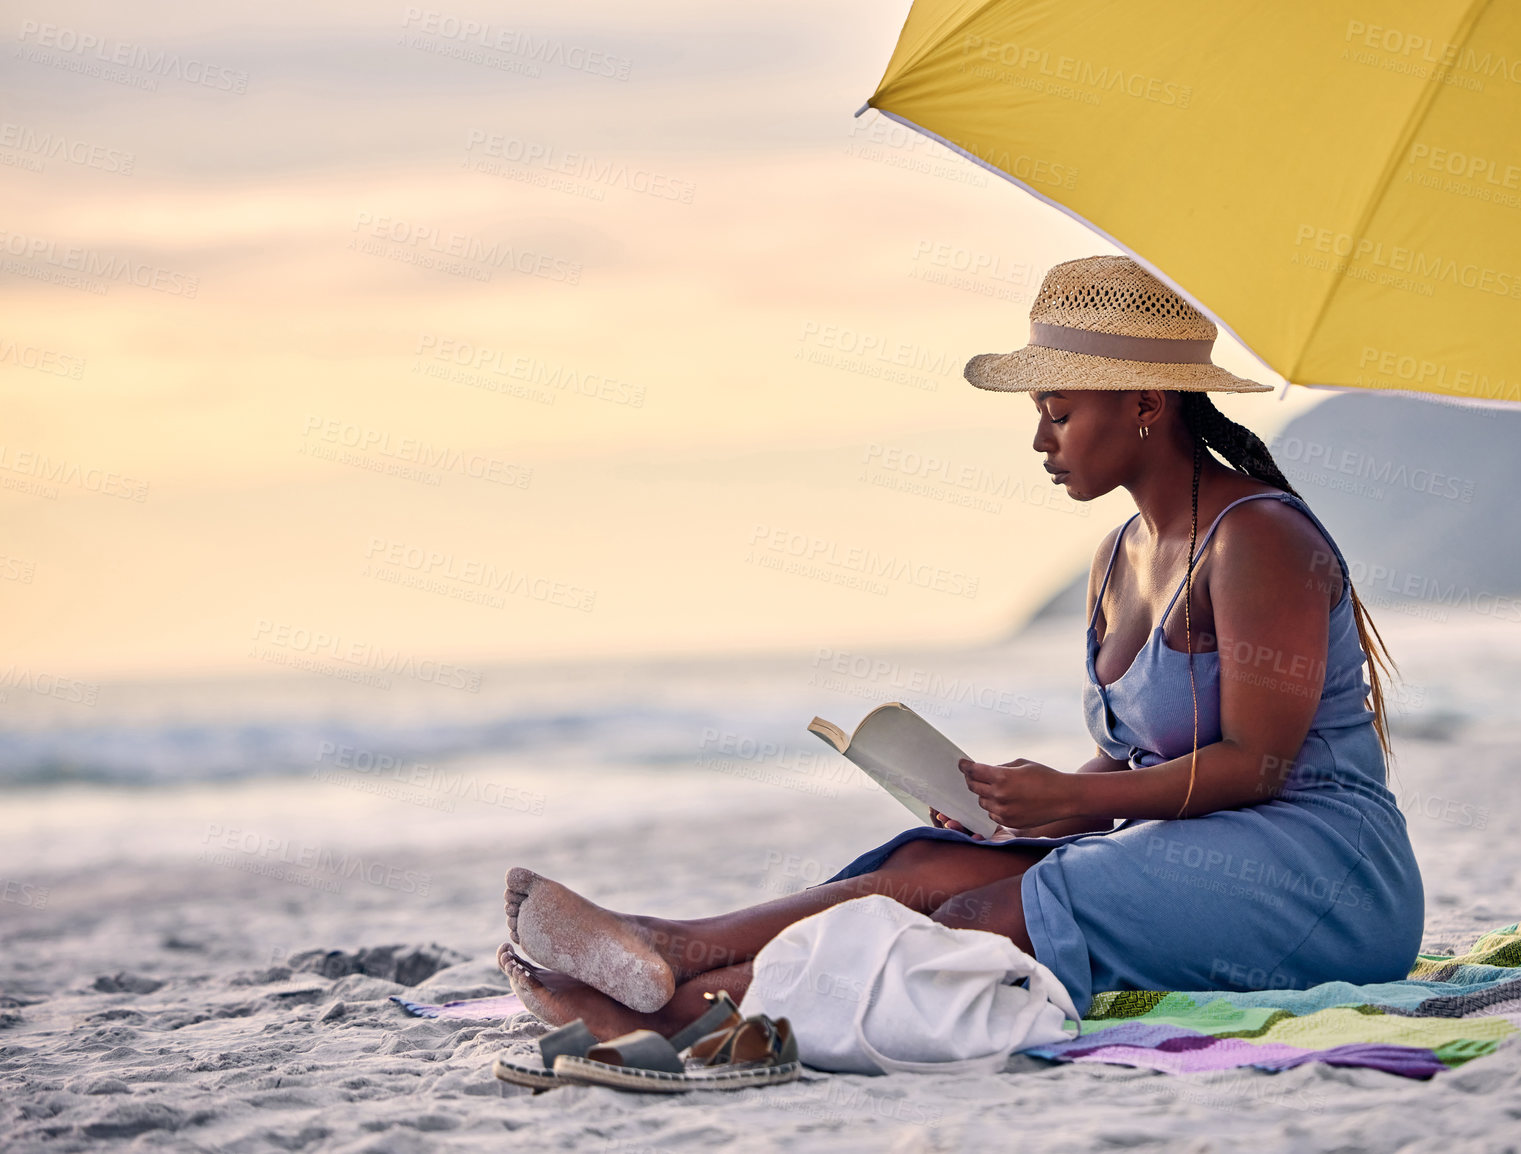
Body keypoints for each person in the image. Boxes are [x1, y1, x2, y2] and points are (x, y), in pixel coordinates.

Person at [497, 255, 1425, 1038]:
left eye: (1057, 410)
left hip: (1318, 874)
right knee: (927, 870)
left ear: (1145, 399)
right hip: (1191, 839)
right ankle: (671, 945)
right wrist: (1023, 805)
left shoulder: (1258, 539)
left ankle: (686, 1016)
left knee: (981, 912)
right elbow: (1140, 750)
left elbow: (1257, 765)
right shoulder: (1118, 555)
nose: (1038, 439)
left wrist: (1077, 798)